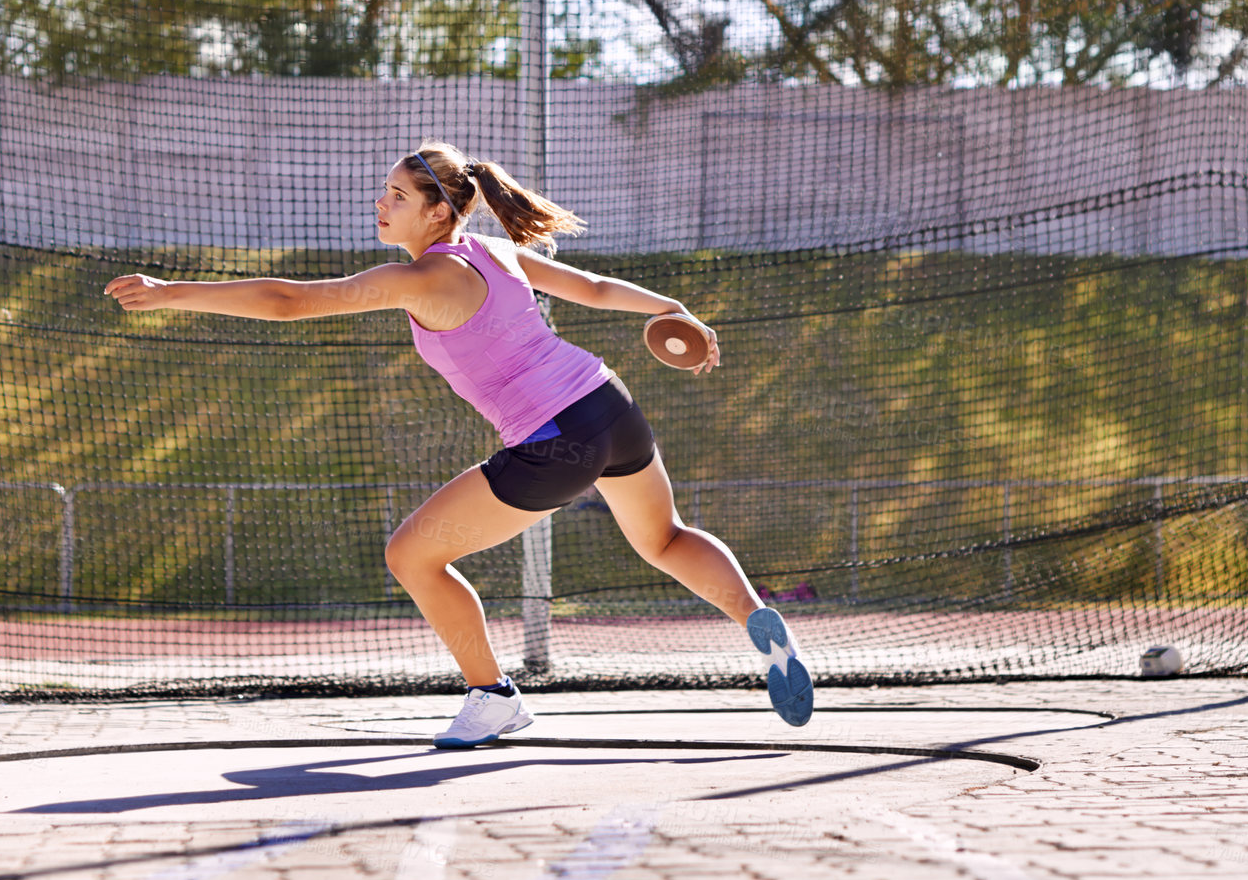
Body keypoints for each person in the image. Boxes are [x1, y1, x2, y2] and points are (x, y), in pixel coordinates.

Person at [105, 142, 812, 744]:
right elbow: (594, 289)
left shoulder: (425, 276)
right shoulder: (495, 251)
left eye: (396, 195)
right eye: (382, 193)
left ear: (438, 210)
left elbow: (291, 301)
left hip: (553, 439)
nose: (379, 205)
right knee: (663, 539)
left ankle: (494, 697)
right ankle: (759, 620)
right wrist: (670, 308)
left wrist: (173, 293)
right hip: (607, 403)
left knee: (412, 554)